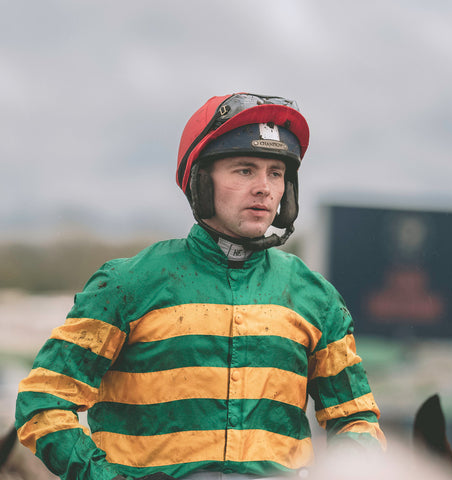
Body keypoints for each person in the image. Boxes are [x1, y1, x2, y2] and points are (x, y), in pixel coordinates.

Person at [15, 93, 386, 480]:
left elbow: (356, 418)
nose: (264, 187)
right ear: (200, 181)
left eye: (275, 173)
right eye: (244, 170)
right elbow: (42, 401)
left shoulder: (315, 296)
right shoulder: (127, 285)